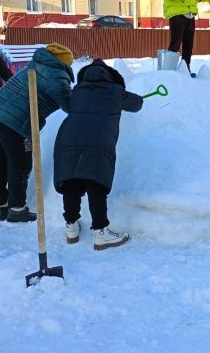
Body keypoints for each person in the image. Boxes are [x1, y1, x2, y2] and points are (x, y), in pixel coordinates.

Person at [0, 44, 74, 222]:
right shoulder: (57, 76)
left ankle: (1, 206)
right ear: (65, 63)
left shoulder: (34, 65)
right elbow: (70, 106)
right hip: (12, 123)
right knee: (20, 163)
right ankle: (17, 209)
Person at [53, 59, 143, 249]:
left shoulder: (77, 91)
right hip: (98, 140)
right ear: (110, 76)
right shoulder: (115, 91)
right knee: (96, 181)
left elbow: (69, 107)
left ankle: (71, 226)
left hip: (69, 136)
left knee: (72, 179)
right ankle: (101, 232)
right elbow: (136, 104)